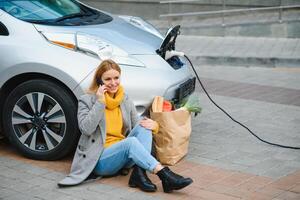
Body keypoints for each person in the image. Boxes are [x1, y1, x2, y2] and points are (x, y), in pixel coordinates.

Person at [58, 59, 193, 193]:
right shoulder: (87, 100)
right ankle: (165, 175)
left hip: (122, 155)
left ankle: (139, 174)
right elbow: (86, 129)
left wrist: (155, 125)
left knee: (144, 125)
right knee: (131, 143)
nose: (113, 83)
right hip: (99, 159)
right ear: (100, 82)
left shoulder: (124, 98)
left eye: (116, 78)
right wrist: (100, 102)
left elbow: (137, 124)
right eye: (108, 79)